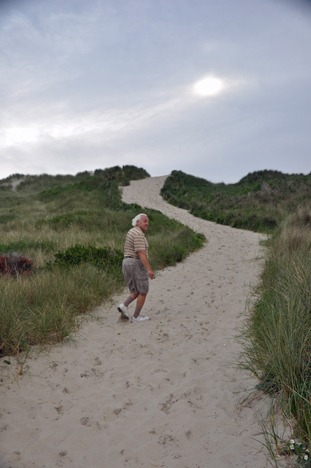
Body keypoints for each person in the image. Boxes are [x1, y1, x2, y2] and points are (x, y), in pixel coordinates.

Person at [118, 213, 155, 323]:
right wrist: (149, 269)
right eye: (145, 221)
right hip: (135, 263)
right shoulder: (138, 233)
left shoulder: (131, 231)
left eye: (148, 221)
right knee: (143, 290)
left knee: (135, 290)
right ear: (137, 222)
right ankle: (136, 317)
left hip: (126, 262)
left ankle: (124, 306)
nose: (147, 223)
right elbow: (141, 253)